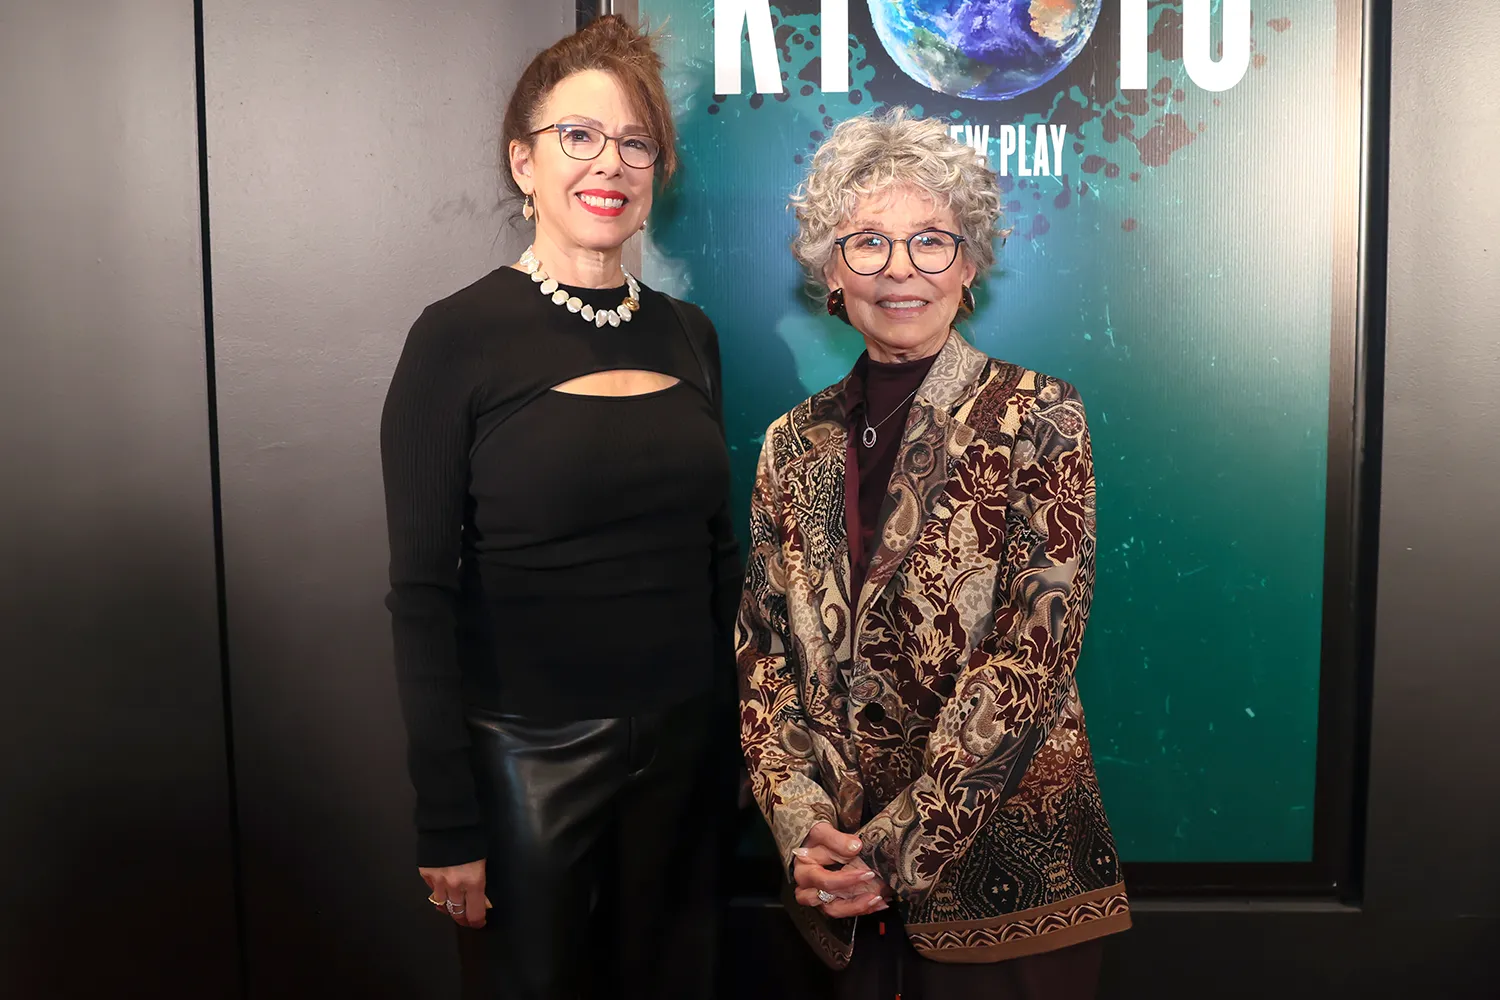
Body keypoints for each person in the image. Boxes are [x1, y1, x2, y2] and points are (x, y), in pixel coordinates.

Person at [379, 16, 739, 999]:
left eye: (634, 142)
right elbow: (421, 595)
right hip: (525, 766)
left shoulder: (690, 335)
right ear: (523, 161)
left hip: (683, 752)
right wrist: (447, 818)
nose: (608, 163)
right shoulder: (455, 340)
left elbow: (720, 563)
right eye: (578, 136)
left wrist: (736, 747)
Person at [736, 108, 1130, 1000]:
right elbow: (763, 658)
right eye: (867, 243)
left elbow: (1034, 655)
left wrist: (896, 847)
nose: (901, 270)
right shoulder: (789, 444)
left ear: (971, 264)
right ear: (831, 271)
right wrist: (805, 832)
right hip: (834, 900)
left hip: (1010, 881)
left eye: (931, 242)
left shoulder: (1039, 415)